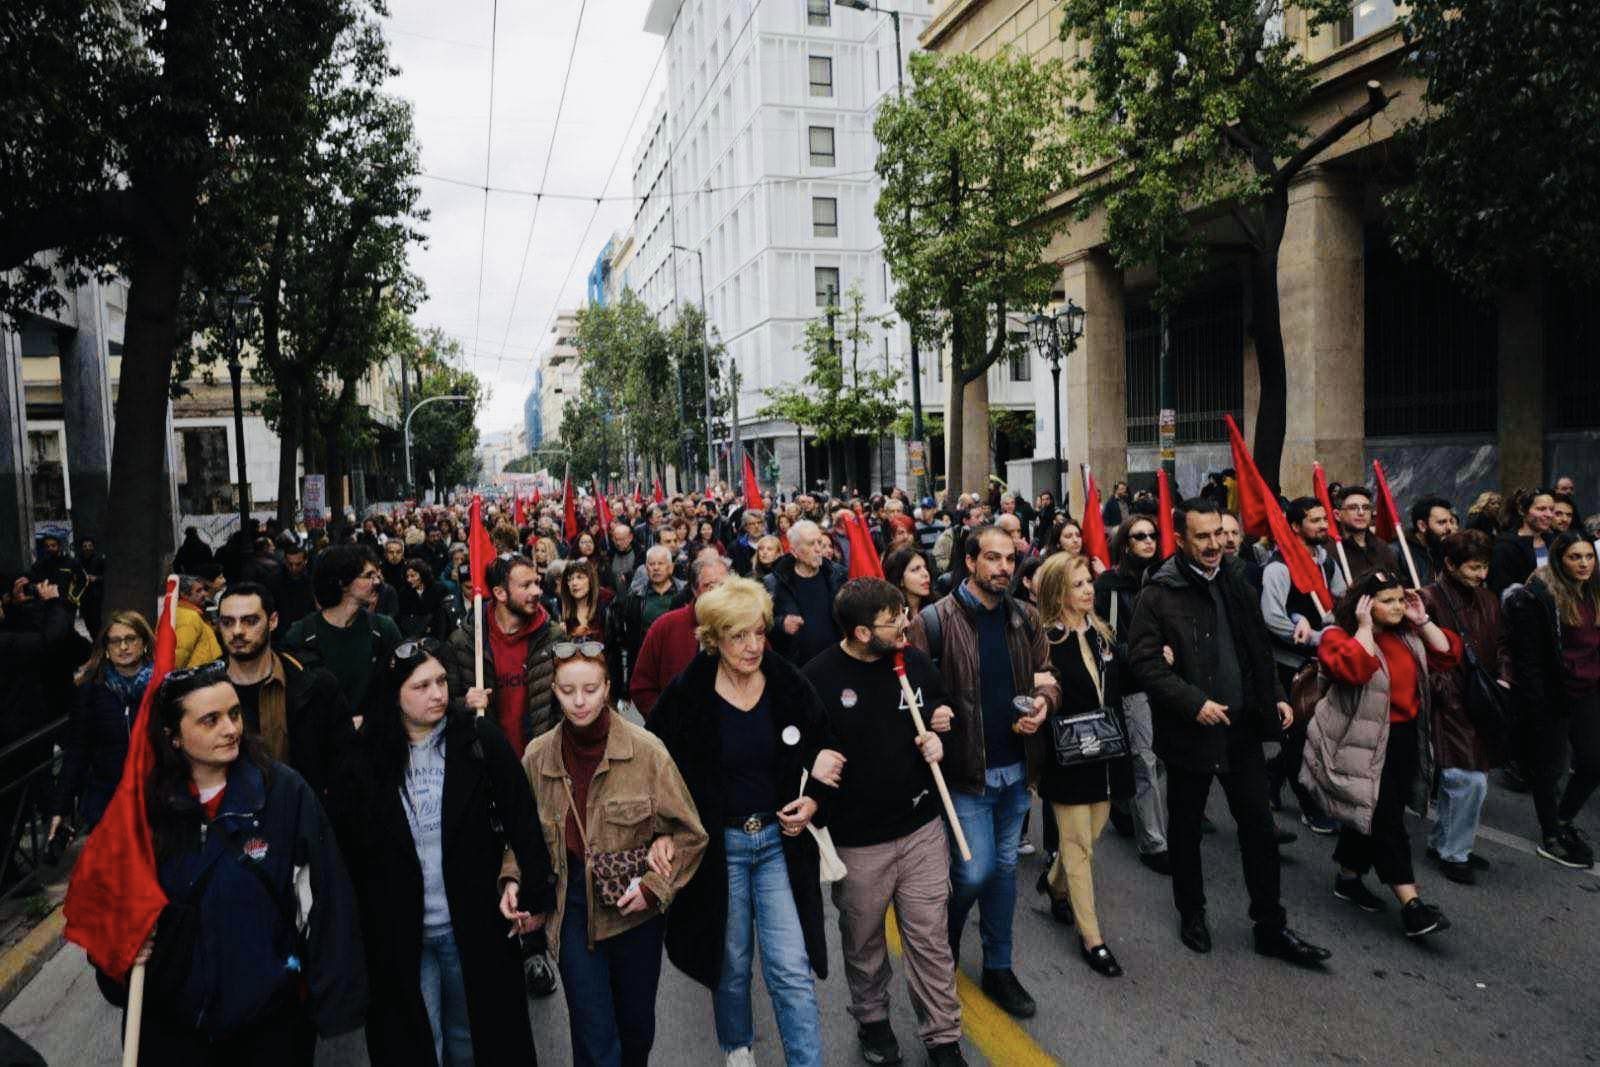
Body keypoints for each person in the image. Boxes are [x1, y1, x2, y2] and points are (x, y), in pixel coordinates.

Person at [98, 661, 365, 1065]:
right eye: (211, 720)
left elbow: (326, 900)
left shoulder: (283, 793)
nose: (231, 729)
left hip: (268, 1026)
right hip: (173, 1031)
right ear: (172, 736)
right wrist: (119, 956)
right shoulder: (141, 811)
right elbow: (109, 909)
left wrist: (335, 1008)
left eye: (235, 713)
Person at [328, 639, 555, 1066]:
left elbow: (522, 818)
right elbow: (347, 849)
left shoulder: (478, 741)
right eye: (421, 686)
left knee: (471, 1038)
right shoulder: (364, 759)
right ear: (394, 694)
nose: (437, 694)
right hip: (400, 935)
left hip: (472, 924)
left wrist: (535, 897)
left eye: (441, 682)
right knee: (417, 1041)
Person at [1126, 497, 1331, 966]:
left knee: (1259, 828)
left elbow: (1256, 646)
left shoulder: (1237, 579)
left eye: (1219, 533)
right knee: (1186, 830)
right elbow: (1143, 662)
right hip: (1190, 734)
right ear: (1181, 540)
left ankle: (1270, 926)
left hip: (1242, 731)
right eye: (1202, 536)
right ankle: (1192, 913)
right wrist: (1192, 703)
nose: (1214, 544)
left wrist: (1275, 694)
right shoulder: (1159, 593)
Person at [648, 578, 836, 1067]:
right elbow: (654, 767)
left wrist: (813, 800)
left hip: (778, 842)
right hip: (719, 849)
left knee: (791, 968)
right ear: (714, 638)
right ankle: (738, 1049)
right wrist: (664, 831)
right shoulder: (687, 695)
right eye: (738, 636)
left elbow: (825, 745)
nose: (753, 646)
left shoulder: (787, 683)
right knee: (730, 964)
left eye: (758, 633)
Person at [802, 579, 966, 1066]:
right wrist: (814, 763)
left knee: (931, 939)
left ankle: (943, 1037)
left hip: (921, 829)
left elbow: (942, 706)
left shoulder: (912, 660)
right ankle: (873, 1021)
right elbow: (796, 749)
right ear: (860, 632)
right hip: (858, 842)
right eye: (892, 620)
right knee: (864, 942)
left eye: (904, 614)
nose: (905, 625)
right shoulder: (817, 678)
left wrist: (941, 731)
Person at [526, 641, 708, 1067]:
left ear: (607, 687)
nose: (579, 701)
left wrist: (654, 886)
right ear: (553, 691)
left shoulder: (647, 752)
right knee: (594, 1034)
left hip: (635, 914)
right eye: (568, 690)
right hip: (572, 908)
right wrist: (515, 881)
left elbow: (690, 833)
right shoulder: (537, 757)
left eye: (590, 689)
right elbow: (522, 838)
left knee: (636, 1031)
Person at [908, 526, 1058, 1019]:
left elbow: (1048, 676)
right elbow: (909, 692)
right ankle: (942, 947)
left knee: (1004, 872)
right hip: (965, 774)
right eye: (992, 558)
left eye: (1010, 559)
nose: (1003, 568)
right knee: (974, 872)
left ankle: (998, 967)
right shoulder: (934, 621)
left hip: (1016, 770)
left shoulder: (1025, 617)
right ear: (970, 562)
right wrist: (934, 713)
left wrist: (1043, 703)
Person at [1302, 571, 1462, 937]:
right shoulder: (1338, 636)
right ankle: (1412, 905)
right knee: (1386, 819)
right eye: (1387, 601)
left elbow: (1447, 655)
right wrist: (1363, 629)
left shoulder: (1407, 634)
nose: (1397, 607)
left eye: (1400, 599)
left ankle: (1348, 878)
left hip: (1403, 737)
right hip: (1362, 742)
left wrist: (1422, 620)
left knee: (1371, 811)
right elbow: (1354, 669)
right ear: (1364, 604)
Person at [1033, 552, 1135, 978]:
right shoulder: (1045, 640)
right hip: (1068, 757)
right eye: (1077, 584)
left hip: (1106, 754)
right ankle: (1091, 937)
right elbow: (1036, 692)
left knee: (1090, 836)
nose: (1089, 589)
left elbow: (1121, 684)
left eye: (1089, 581)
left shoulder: (1102, 633)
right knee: (1077, 847)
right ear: (1058, 592)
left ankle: (1053, 883)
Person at [1503, 531, 1600, 869]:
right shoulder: (1540, 596)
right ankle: (1551, 834)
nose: (1584, 564)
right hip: (1553, 693)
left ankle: (1563, 817)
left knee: (1593, 762)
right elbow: (1529, 658)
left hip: (1589, 689)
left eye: (1589, 556)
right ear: (1560, 560)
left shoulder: (1594, 591)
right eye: (1575, 557)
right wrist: (1537, 701)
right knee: (1550, 768)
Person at [1420, 531, 1510, 883]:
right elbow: (1419, 653)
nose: (1481, 574)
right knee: (1467, 779)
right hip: (1449, 700)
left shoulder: (1488, 599)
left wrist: (1504, 678)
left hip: (1483, 697)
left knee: (1467, 777)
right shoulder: (1428, 600)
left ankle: (1446, 842)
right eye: (1474, 567)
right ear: (1450, 564)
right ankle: (1454, 853)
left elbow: (1502, 643)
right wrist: (1442, 689)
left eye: (1484, 566)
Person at [216, 583, 354, 799]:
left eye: (250, 621)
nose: (237, 631)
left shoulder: (314, 683)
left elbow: (344, 761)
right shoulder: (205, 690)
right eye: (227, 622)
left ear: (272, 621)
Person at [1259, 497, 1346, 835]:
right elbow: (1272, 618)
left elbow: (1339, 602)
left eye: (1325, 519)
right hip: (1290, 665)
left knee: (1316, 733)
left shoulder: (1328, 563)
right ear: (1295, 526)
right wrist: (1313, 636)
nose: (1324, 525)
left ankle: (1273, 773)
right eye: (1315, 520)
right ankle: (1310, 806)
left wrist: (1335, 626)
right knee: (1298, 736)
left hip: (1323, 662)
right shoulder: (1279, 567)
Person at [1094, 515, 1169, 873]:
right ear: (1125, 543)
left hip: (1167, 682)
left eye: (1153, 535)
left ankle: (1123, 806)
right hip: (1131, 684)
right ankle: (1154, 843)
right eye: (1140, 536)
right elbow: (1103, 639)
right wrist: (1144, 654)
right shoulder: (1108, 586)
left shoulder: (1164, 579)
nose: (1149, 541)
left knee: (1159, 757)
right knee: (1144, 759)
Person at [51, 611, 156, 844]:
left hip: (154, 798)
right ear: (106, 647)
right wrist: (61, 807)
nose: (123, 647)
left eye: (130, 639)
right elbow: (77, 751)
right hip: (107, 800)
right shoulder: (91, 691)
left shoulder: (161, 687)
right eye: (115, 641)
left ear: (144, 643)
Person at [282, 544, 402, 725]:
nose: (377, 582)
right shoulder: (300, 635)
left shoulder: (384, 629)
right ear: (342, 582)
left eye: (377, 575)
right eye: (369, 575)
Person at [628, 555, 729, 717]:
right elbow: (642, 687)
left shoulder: (744, 625)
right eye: (709, 586)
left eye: (724, 586)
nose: (718, 593)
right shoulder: (666, 626)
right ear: (695, 590)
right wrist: (666, 721)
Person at [765, 519, 847, 666]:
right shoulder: (774, 583)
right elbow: (764, 624)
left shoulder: (837, 574)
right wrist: (781, 624)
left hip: (837, 662)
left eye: (819, 542)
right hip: (800, 668)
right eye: (810, 544)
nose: (818, 549)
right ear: (794, 552)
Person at [608, 545, 684, 695]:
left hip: (678, 662)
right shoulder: (635, 596)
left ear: (670, 568)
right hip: (647, 662)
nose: (656, 568)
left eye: (660, 563)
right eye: (651, 564)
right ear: (646, 568)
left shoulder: (684, 594)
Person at [1489, 488, 1557, 594]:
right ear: (1522, 510)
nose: (1549, 515)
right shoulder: (1505, 546)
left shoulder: (1554, 541)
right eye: (1541, 509)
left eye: (1551, 509)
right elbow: (1500, 588)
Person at [1333, 486, 1398, 586]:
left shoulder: (1382, 546)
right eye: (1353, 508)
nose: (1361, 513)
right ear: (1337, 515)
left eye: (1366, 508)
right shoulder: (1331, 551)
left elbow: (1398, 581)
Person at [1405, 495, 1458, 587]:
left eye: (1451, 521)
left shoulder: (1443, 549)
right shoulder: (1401, 553)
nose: (1449, 528)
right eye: (1442, 522)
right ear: (1422, 526)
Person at [173, 574, 224, 669]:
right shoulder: (188, 617)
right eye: (198, 591)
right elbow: (180, 655)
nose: (205, 594)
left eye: (203, 590)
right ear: (184, 594)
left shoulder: (188, 613)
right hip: (197, 674)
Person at [883, 545, 934, 617]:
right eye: (915, 569)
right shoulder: (890, 616)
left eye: (925, 568)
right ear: (901, 580)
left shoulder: (938, 608)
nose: (925, 574)